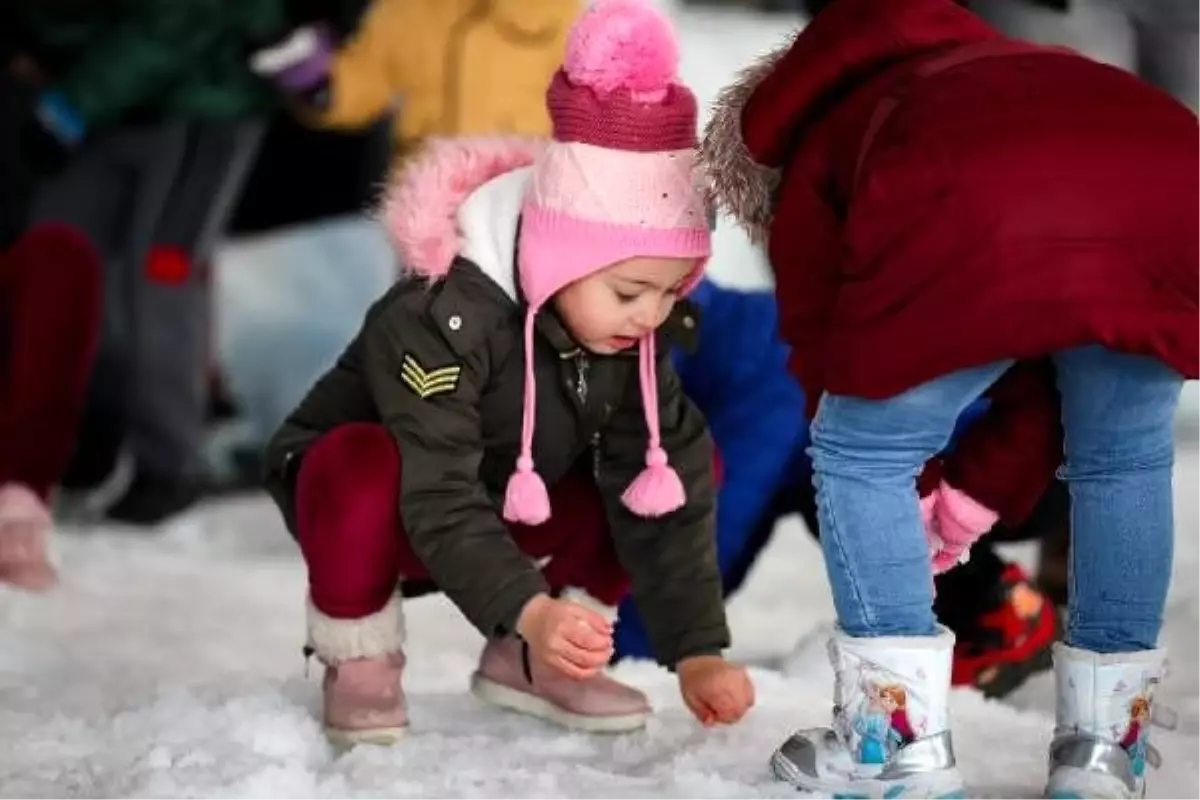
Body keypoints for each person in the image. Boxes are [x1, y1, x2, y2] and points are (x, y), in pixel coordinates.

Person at [701, 0, 1200, 796]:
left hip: (970, 188)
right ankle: (1105, 754)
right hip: (1169, 174)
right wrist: (970, 494)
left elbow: (832, 380)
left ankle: (891, 748)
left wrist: (918, 492)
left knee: (859, 450)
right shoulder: (1007, 72)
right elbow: (1053, 368)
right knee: (1123, 457)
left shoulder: (820, 139)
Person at [263, 0, 754, 747]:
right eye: (631, 293)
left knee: (667, 465)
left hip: (506, 491)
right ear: (561, 262)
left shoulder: (623, 328)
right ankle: (361, 656)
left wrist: (697, 650)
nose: (653, 315)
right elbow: (437, 492)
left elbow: (671, 492)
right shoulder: (436, 317)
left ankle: (537, 661)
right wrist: (528, 606)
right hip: (386, 506)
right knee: (361, 462)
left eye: (671, 290)